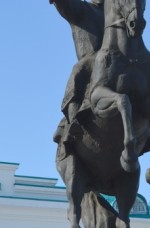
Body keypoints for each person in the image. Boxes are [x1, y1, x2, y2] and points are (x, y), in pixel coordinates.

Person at [50, 0, 104, 145]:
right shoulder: (82, 9)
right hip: (90, 64)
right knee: (77, 71)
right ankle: (73, 119)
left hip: (116, 63)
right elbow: (65, 5)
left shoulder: (114, 14)